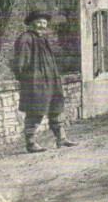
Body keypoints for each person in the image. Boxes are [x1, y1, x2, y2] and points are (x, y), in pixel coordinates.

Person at [11, 10, 78, 153]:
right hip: (35, 81)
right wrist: (25, 78)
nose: (42, 25)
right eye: (39, 22)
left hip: (51, 80)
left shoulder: (44, 39)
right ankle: (30, 143)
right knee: (35, 111)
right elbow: (20, 62)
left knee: (56, 108)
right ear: (31, 23)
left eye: (44, 22)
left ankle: (61, 139)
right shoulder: (25, 38)